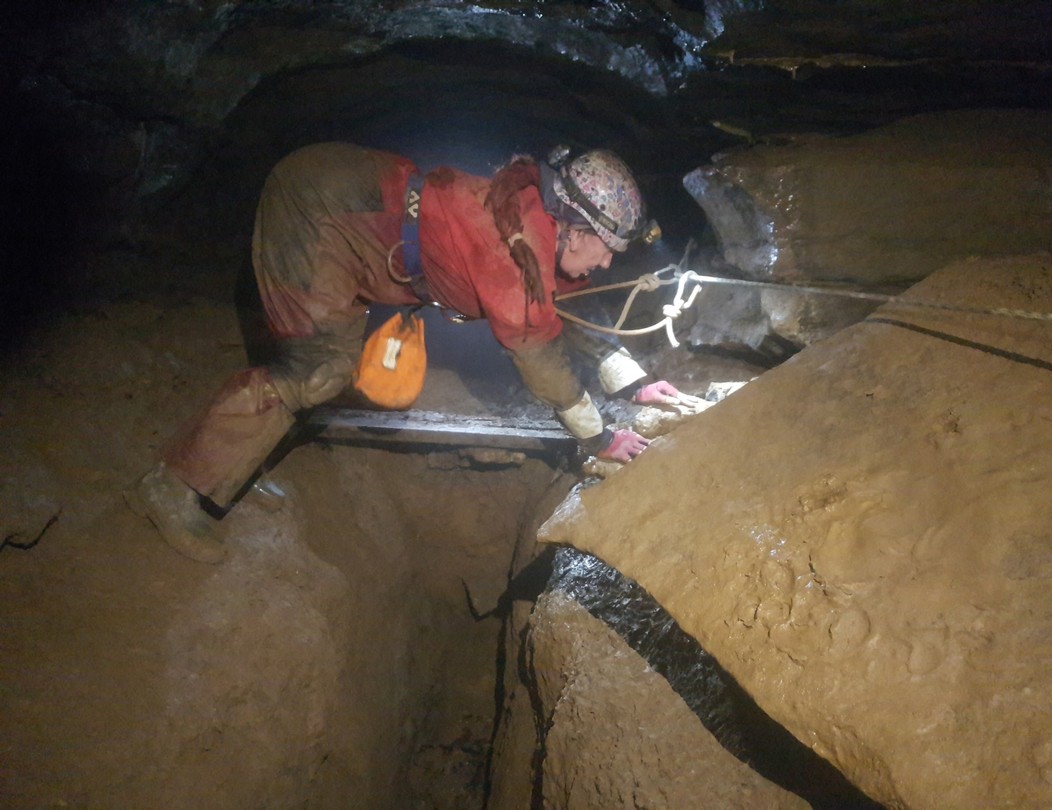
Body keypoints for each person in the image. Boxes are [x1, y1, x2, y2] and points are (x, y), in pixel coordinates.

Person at [129, 142, 692, 563]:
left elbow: (563, 306)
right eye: (607, 248)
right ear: (575, 227)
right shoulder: (513, 247)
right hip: (323, 208)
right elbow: (540, 357)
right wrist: (598, 438)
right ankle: (176, 484)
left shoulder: (540, 227)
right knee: (317, 370)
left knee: (316, 369)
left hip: (360, 217)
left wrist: (634, 383)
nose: (607, 263)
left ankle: (235, 470)